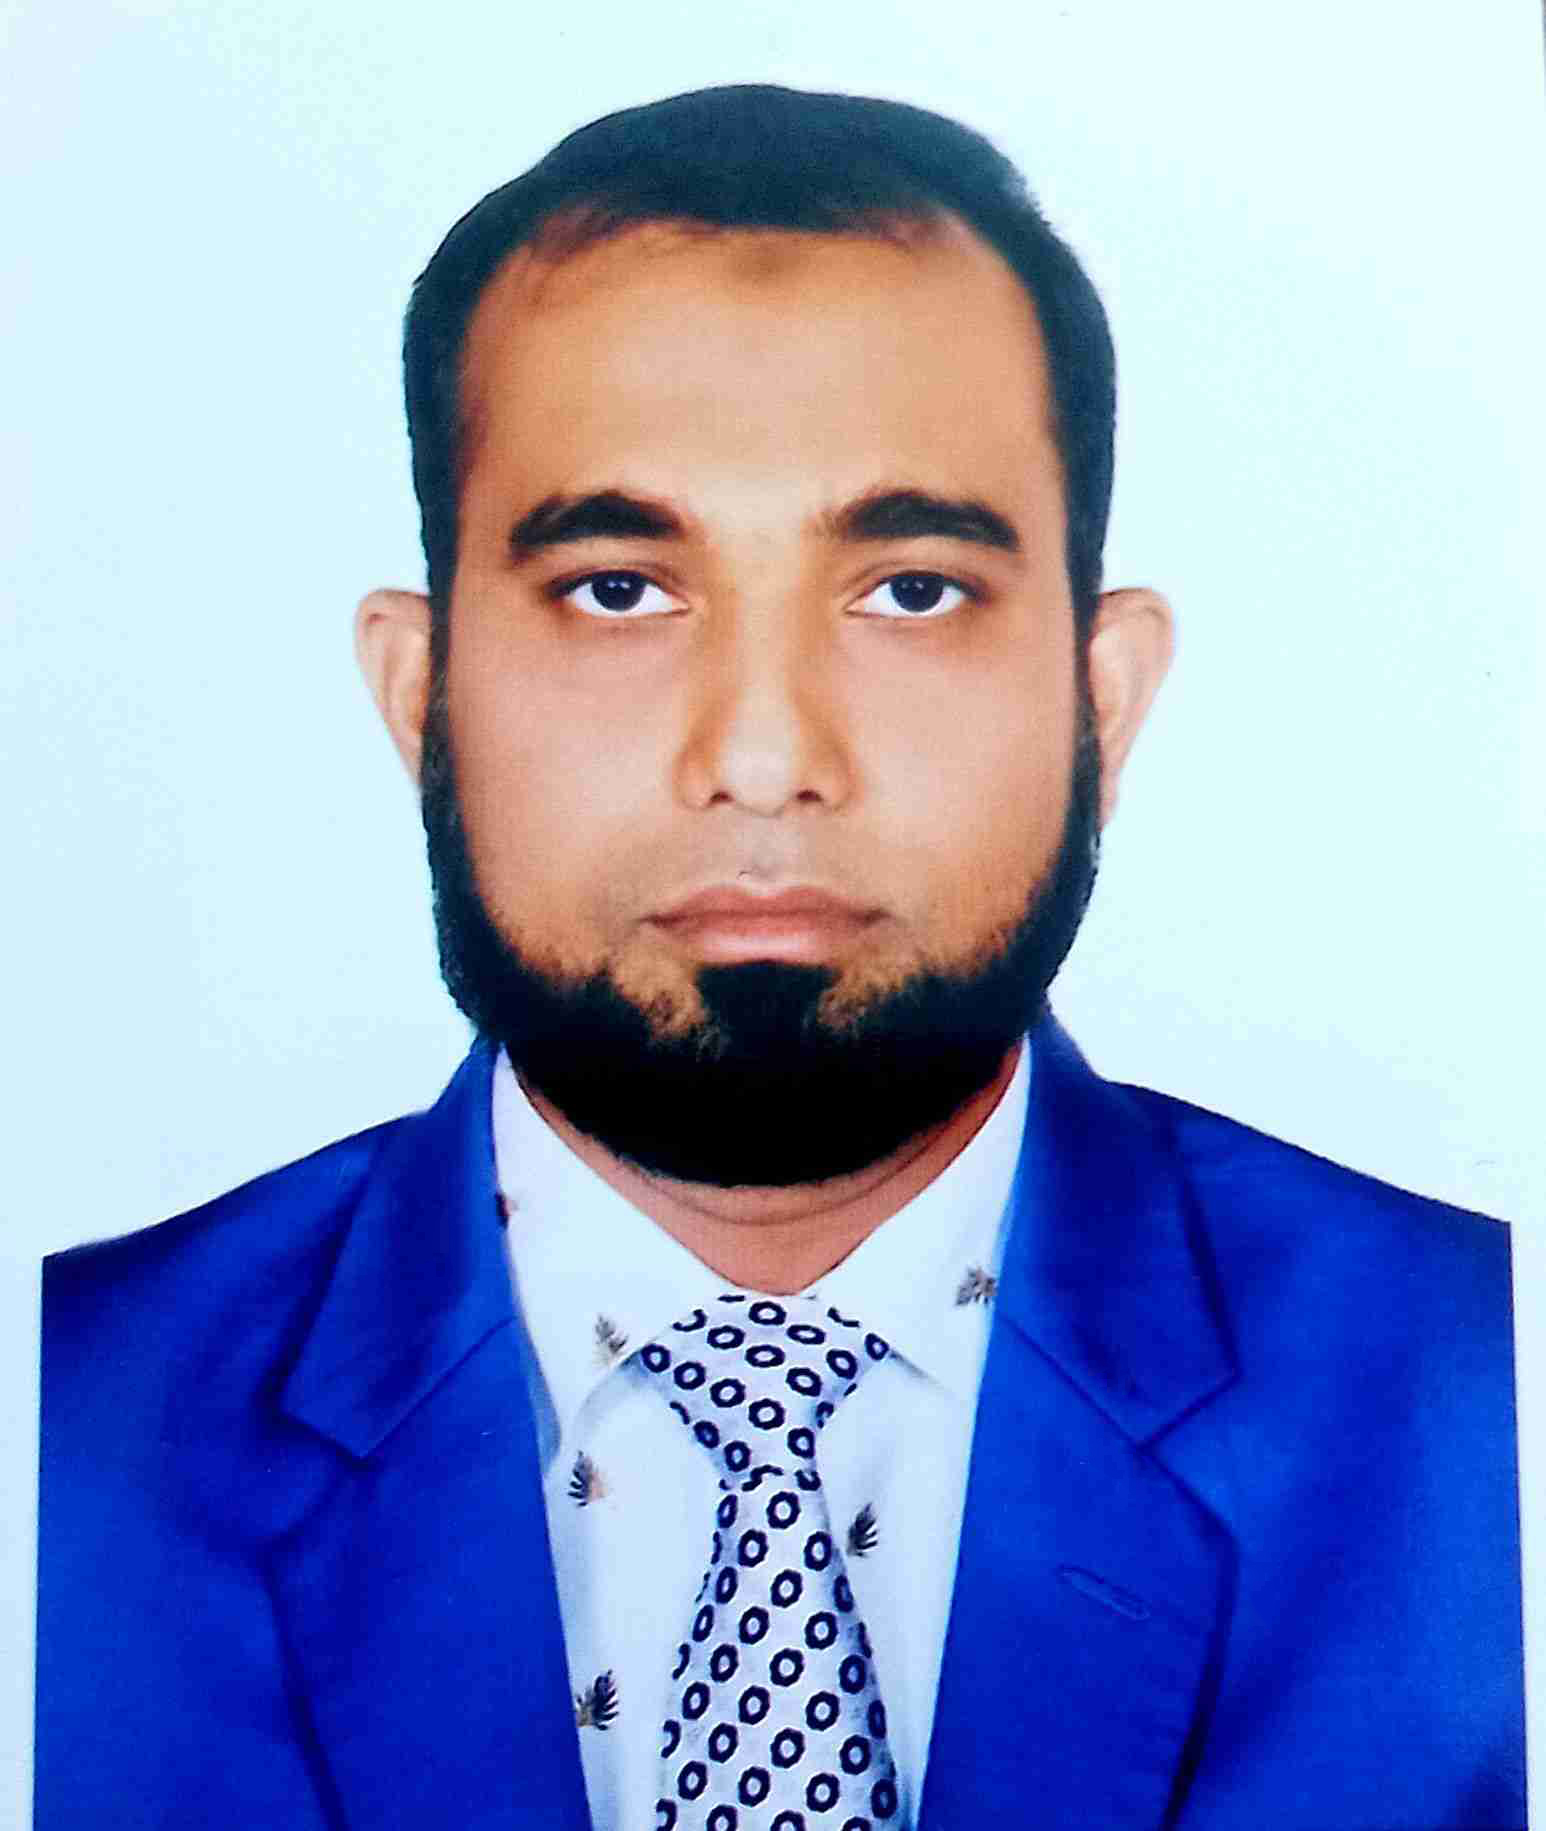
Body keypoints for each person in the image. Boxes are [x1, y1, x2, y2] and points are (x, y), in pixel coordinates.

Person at [35, 84, 1524, 1831]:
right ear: (420, 697)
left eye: (909, 591)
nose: (759, 754)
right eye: (617, 588)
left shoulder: (1484, 1405)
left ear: (1100, 699)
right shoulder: (58, 1435)